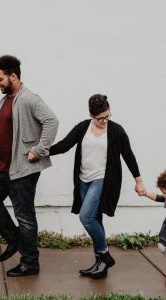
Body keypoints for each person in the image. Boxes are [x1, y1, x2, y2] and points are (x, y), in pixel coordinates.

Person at [32, 94, 146, 279]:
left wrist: (139, 181)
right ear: (91, 115)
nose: (104, 121)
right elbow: (64, 145)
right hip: (83, 180)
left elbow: (129, 156)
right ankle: (100, 265)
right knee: (96, 219)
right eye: (100, 118)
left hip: (103, 179)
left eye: (107, 116)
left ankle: (105, 255)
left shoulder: (116, 131)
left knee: (86, 217)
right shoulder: (83, 127)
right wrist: (41, 152)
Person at [0, 55, 59, 277]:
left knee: (25, 216)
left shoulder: (29, 99)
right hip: (0, 166)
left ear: (13, 76)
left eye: (0, 78)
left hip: (22, 169)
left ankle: (30, 263)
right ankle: (14, 240)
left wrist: (40, 150)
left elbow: (52, 121)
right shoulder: (3, 100)